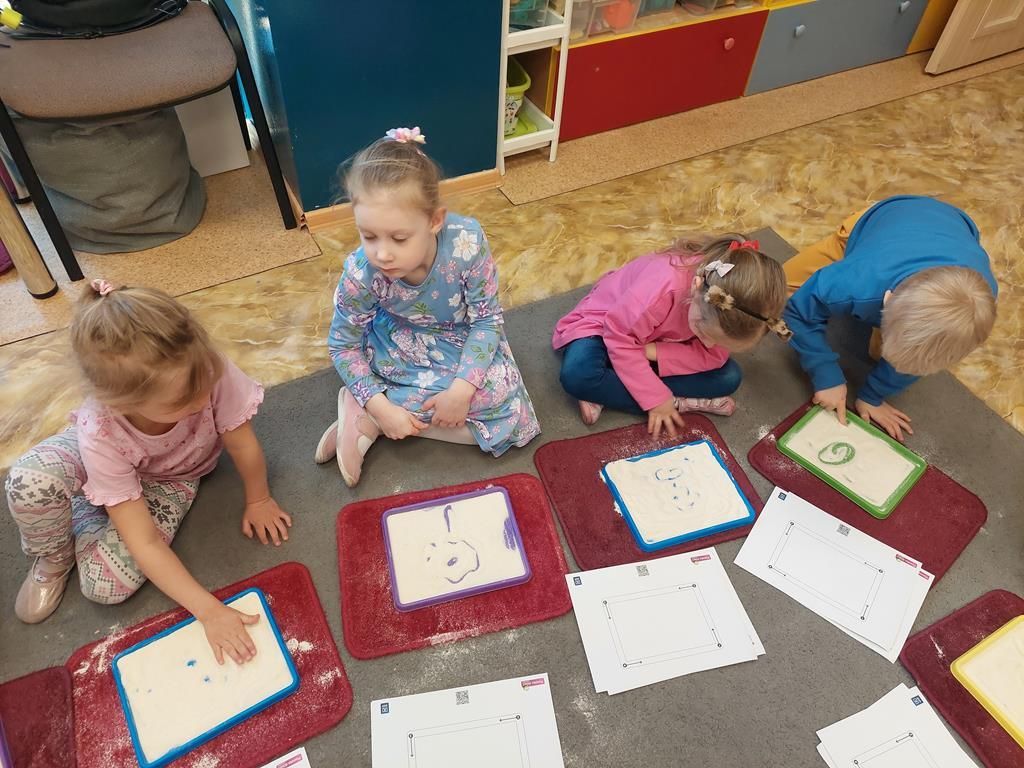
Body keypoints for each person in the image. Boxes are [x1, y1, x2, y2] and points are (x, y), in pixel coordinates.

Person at [5, 280, 291, 664]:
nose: (202, 397)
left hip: (170, 475)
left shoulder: (205, 369)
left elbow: (242, 444)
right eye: (183, 400)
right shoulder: (100, 429)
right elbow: (145, 543)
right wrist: (209, 610)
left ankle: (91, 508)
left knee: (105, 587)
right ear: (121, 404)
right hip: (109, 456)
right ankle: (55, 554)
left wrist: (259, 498)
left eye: (202, 384)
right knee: (28, 480)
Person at [317, 127, 540, 486]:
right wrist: (380, 406)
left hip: (459, 337)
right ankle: (371, 412)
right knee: (481, 409)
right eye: (368, 236)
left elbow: (487, 320)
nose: (382, 253)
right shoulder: (361, 272)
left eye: (399, 238)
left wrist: (460, 392)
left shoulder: (467, 242)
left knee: (508, 407)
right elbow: (342, 345)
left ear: (435, 221)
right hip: (395, 343)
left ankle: (367, 418)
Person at [783, 195, 997, 441]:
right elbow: (798, 312)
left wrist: (872, 397)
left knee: (888, 352)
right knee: (779, 290)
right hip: (878, 219)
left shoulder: (979, 303)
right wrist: (825, 373)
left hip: (954, 227)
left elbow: (918, 358)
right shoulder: (856, 281)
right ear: (886, 300)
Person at [553, 235, 790, 437]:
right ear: (696, 287)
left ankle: (609, 387)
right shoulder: (661, 287)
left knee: (729, 377)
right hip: (606, 325)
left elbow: (714, 356)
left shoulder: (727, 308)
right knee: (579, 375)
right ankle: (679, 402)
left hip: (650, 341)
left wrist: (652, 352)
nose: (709, 343)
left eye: (718, 341)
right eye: (704, 331)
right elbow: (618, 337)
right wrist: (658, 400)